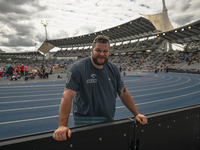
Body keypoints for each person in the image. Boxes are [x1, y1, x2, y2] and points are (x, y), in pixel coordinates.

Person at [53, 35, 147, 141]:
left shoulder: (114, 69)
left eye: (105, 51)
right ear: (91, 50)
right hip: (84, 123)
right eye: (98, 50)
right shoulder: (78, 68)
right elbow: (67, 95)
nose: (102, 54)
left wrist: (136, 113)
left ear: (109, 52)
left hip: (108, 121)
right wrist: (62, 125)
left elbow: (123, 92)